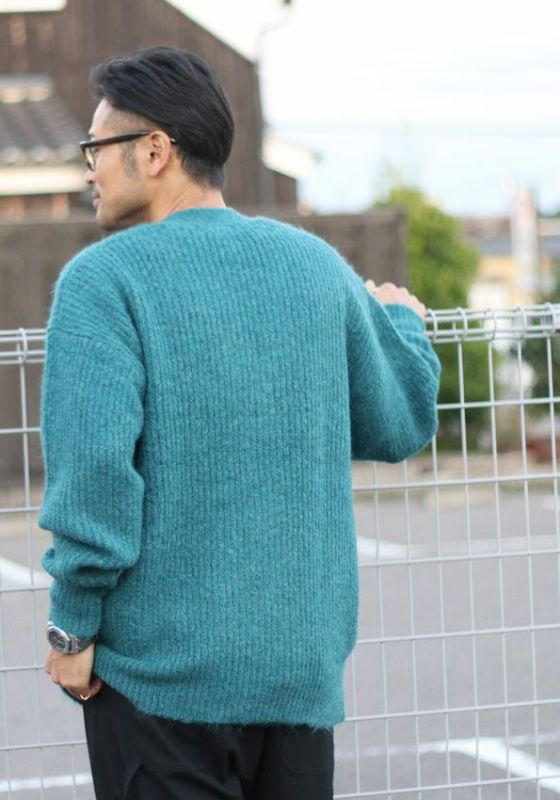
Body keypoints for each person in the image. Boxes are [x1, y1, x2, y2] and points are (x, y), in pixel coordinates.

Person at [38, 46, 440, 799]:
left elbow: (94, 479)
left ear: (154, 150)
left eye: (96, 148)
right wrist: (403, 325)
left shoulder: (105, 281)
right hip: (297, 672)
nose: (88, 170)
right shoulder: (313, 265)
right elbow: (400, 421)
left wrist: (72, 628)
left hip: (163, 680)